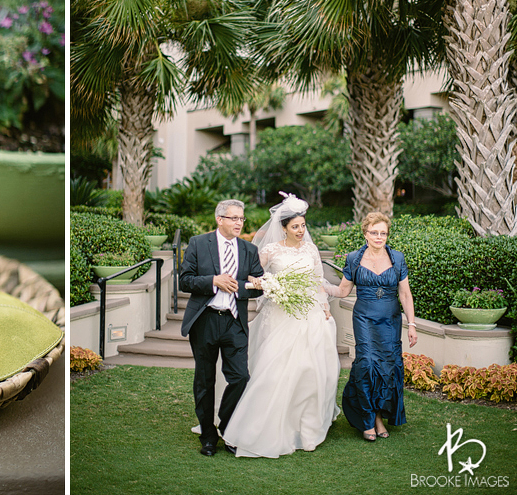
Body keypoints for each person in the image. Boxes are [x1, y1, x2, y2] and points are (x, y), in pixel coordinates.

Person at [221, 192, 341, 458]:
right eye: (295, 226)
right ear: (283, 227)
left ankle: (306, 428)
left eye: (303, 225)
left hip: (309, 314)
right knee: (276, 372)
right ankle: (263, 425)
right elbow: (250, 274)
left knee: (313, 372)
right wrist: (269, 285)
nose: (300, 231)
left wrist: (324, 307)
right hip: (279, 316)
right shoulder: (270, 250)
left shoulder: (311, 249)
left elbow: (317, 280)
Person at [179, 199, 264, 456]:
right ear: (220, 219)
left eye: (241, 219)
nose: (239, 223)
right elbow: (184, 280)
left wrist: (250, 285)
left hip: (234, 321)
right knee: (204, 380)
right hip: (204, 320)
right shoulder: (197, 243)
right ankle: (207, 436)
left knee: (240, 377)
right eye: (234, 218)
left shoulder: (249, 250)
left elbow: (257, 285)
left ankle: (226, 426)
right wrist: (213, 281)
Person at [336, 212, 418, 441]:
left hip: (390, 320)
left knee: (388, 367)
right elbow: (343, 291)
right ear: (365, 233)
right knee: (367, 365)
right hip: (364, 319)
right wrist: (320, 287)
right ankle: (369, 418)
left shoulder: (397, 258)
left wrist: (411, 324)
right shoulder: (353, 258)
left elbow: (405, 294)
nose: (379, 237)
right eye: (374, 232)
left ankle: (379, 416)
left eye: (383, 233)